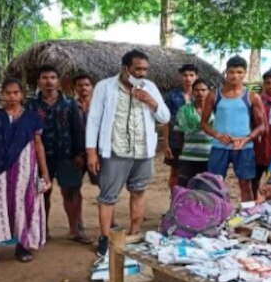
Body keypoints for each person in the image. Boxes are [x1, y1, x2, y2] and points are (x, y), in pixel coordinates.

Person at [85, 49, 170, 256]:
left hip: (143, 151)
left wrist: (151, 101)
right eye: (137, 69)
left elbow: (165, 117)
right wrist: (91, 152)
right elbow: (94, 120)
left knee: (139, 191)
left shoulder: (150, 87)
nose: (142, 73)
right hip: (115, 150)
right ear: (125, 68)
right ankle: (105, 238)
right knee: (107, 197)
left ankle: (135, 233)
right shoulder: (105, 87)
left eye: (145, 70)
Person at [0, 78, 52, 265]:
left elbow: (38, 145)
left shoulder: (32, 118)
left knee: (23, 204)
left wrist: (45, 174)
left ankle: (22, 245)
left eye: (15, 93)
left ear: (22, 95)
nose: (12, 96)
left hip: (25, 170)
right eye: (8, 93)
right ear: (2, 94)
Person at [25, 64, 88, 244]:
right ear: (38, 81)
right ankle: (42, 230)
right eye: (44, 78)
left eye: (52, 77)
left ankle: (75, 230)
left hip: (67, 155)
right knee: (42, 192)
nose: (49, 82)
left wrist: (79, 153)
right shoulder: (31, 105)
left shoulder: (69, 104)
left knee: (71, 191)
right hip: (39, 156)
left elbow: (78, 130)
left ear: (58, 81)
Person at [199, 55, 265, 202]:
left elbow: (262, 126)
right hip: (219, 146)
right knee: (215, 184)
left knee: (245, 184)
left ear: (245, 73)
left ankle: (246, 217)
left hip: (244, 147)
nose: (235, 76)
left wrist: (246, 139)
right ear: (226, 72)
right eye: (232, 72)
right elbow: (203, 124)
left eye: (240, 72)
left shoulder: (252, 97)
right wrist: (217, 135)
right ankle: (217, 216)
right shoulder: (214, 95)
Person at [163, 63, 198, 190]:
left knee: (196, 174)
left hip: (197, 142)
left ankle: (191, 206)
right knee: (175, 172)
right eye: (185, 75)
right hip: (176, 141)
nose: (188, 78)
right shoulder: (172, 96)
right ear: (180, 77)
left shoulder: (202, 94)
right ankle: (174, 204)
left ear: (196, 77)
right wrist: (166, 144)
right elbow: (166, 121)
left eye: (191, 75)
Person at [173, 79, 213, 186]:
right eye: (196, 90)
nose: (200, 93)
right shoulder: (184, 110)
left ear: (209, 91)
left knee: (209, 189)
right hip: (188, 157)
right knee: (186, 188)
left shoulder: (216, 110)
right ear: (192, 91)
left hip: (210, 157)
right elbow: (179, 134)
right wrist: (184, 150)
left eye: (203, 90)